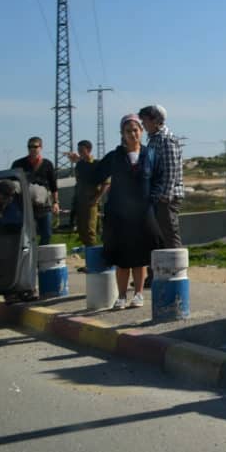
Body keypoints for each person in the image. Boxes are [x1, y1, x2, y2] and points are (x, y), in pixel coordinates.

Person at [69, 114, 160, 309]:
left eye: (136, 130)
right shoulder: (115, 156)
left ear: (141, 132)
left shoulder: (150, 155)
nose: (133, 134)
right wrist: (81, 162)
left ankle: (138, 294)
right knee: (122, 257)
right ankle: (120, 296)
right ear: (122, 134)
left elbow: (158, 180)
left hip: (142, 214)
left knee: (140, 256)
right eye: (128, 131)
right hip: (119, 215)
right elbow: (95, 174)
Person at [139, 105, 183, 289]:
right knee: (154, 236)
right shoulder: (154, 139)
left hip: (166, 197)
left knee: (168, 234)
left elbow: (171, 169)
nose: (143, 124)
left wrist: (165, 195)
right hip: (154, 196)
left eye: (145, 121)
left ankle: (175, 274)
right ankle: (156, 274)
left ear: (156, 120)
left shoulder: (166, 139)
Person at [11, 137, 58, 246]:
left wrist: (56, 202)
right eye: (30, 147)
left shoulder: (47, 164)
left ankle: (41, 257)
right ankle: (30, 259)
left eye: (35, 146)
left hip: (44, 205)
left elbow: (53, 186)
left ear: (41, 147)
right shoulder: (18, 164)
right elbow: (12, 185)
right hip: (25, 205)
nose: (32, 149)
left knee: (46, 234)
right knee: (27, 234)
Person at [71, 140, 109, 246]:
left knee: (90, 230)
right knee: (81, 229)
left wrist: (96, 198)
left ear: (89, 150)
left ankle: (94, 255)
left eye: (82, 150)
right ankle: (87, 254)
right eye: (78, 150)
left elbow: (106, 183)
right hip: (80, 200)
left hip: (91, 201)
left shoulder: (97, 164)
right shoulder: (79, 165)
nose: (80, 153)